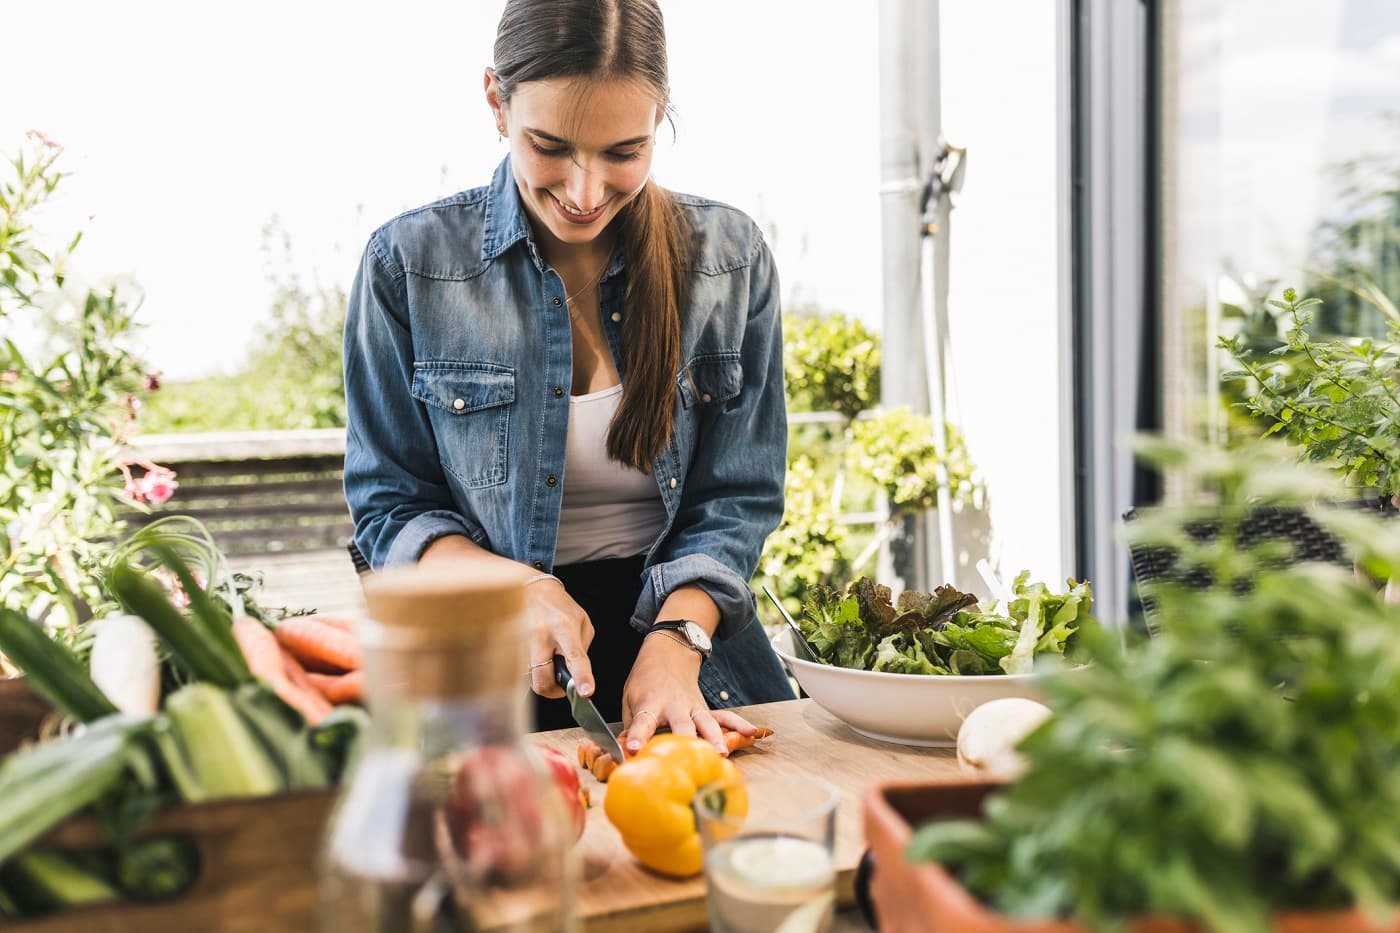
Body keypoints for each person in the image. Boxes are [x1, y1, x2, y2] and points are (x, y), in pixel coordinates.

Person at [343, 0, 794, 756]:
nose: (585, 192)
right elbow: (390, 509)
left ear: (661, 121)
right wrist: (519, 587)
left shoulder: (729, 258)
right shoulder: (408, 265)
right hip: (482, 675)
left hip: (695, 664)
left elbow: (738, 495)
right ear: (496, 101)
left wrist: (678, 636)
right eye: (549, 146)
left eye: (624, 151)